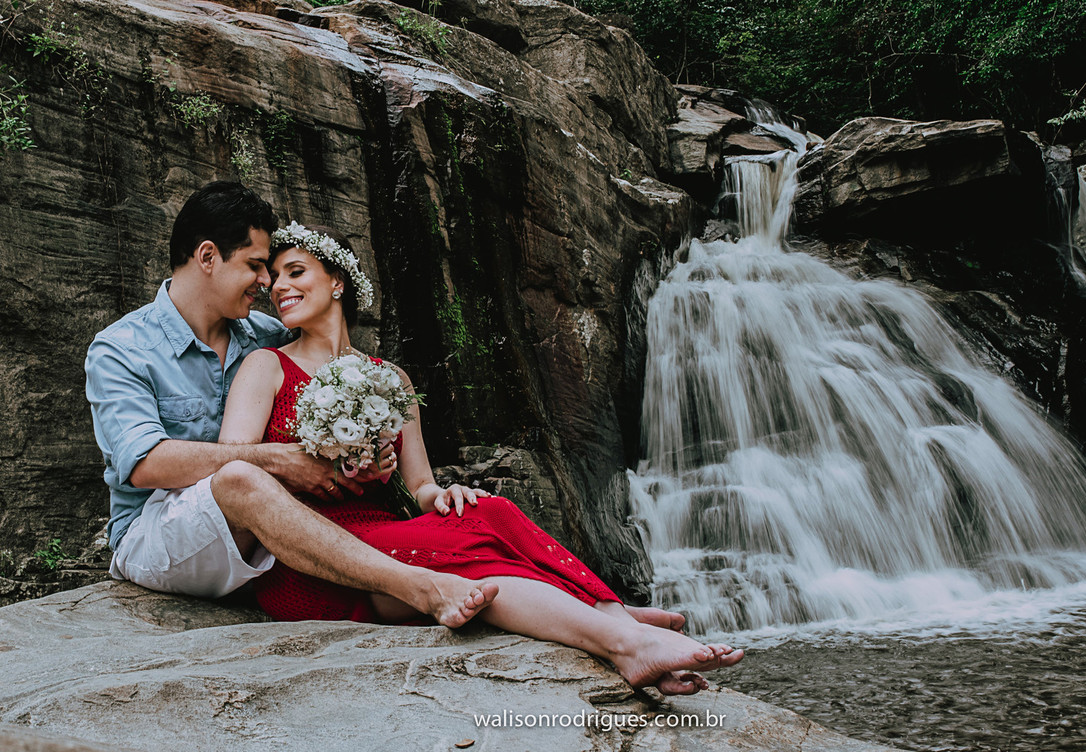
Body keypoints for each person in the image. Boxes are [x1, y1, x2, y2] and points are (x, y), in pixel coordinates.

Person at [215, 221, 744, 694]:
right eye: (275, 278)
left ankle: (621, 631)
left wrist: (441, 493)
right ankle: (620, 627)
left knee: (484, 511)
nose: (279, 287)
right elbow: (231, 464)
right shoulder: (267, 366)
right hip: (311, 556)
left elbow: (419, 488)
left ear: (337, 282)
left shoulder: (391, 378)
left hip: (386, 537)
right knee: (479, 555)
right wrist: (317, 463)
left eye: (296, 271)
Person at [86, 182, 499, 629]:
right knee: (243, 476)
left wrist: (369, 457)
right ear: (207, 257)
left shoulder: (267, 335)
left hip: (268, 541)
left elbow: (332, 383)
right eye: (257, 266)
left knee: (487, 522)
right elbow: (146, 463)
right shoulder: (121, 349)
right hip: (157, 532)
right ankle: (416, 587)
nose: (268, 283)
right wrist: (277, 460)